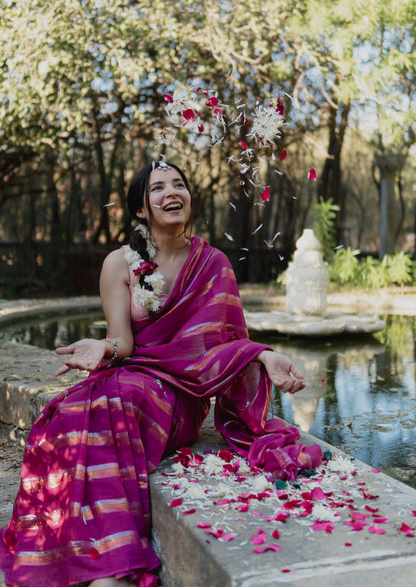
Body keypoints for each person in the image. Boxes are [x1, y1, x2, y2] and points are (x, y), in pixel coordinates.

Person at [0, 161, 322, 587]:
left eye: (179, 184)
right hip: (130, 376)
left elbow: (224, 342)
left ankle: (106, 565)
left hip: (179, 397)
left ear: (188, 198)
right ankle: (97, 560)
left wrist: (262, 356)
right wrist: (102, 348)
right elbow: (124, 345)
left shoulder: (214, 263)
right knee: (62, 420)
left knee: (118, 402)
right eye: (158, 188)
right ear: (141, 209)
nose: (172, 192)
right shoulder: (120, 264)